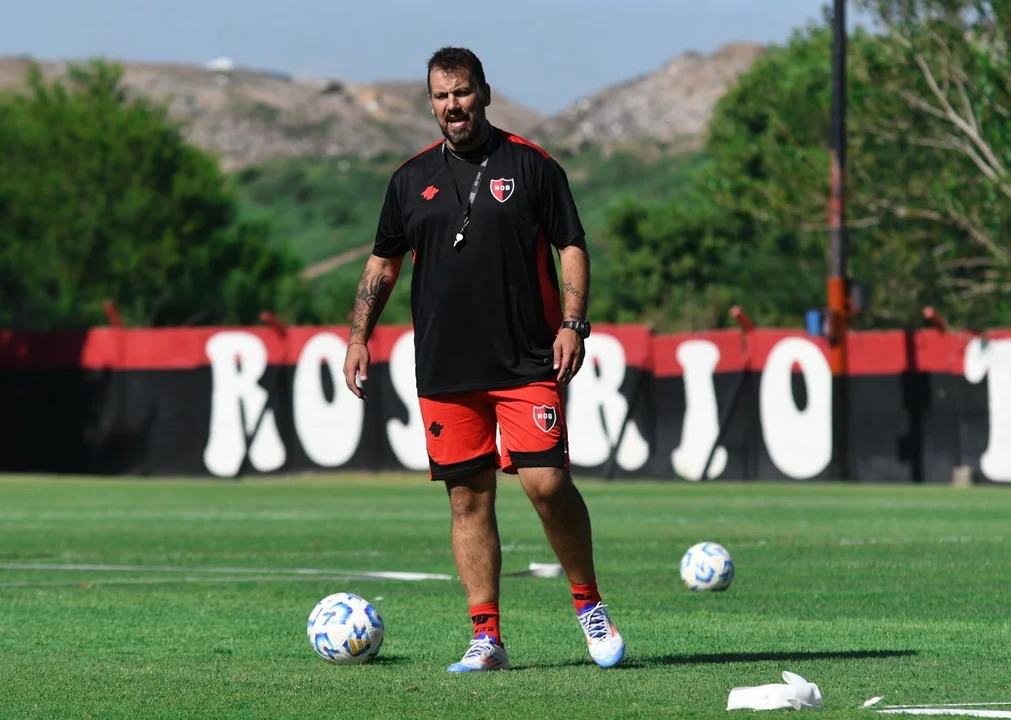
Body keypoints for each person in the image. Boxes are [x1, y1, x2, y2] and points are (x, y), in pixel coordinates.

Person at [341, 46, 625, 673]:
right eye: (441, 96)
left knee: (547, 485)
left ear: (485, 94)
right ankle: (486, 636)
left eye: (462, 92)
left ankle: (590, 607)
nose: (453, 106)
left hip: (526, 359)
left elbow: (570, 245)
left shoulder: (532, 165)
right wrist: (359, 335)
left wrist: (574, 323)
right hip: (445, 368)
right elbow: (382, 263)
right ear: (431, 103)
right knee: (468, 500)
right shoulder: (409, 180)